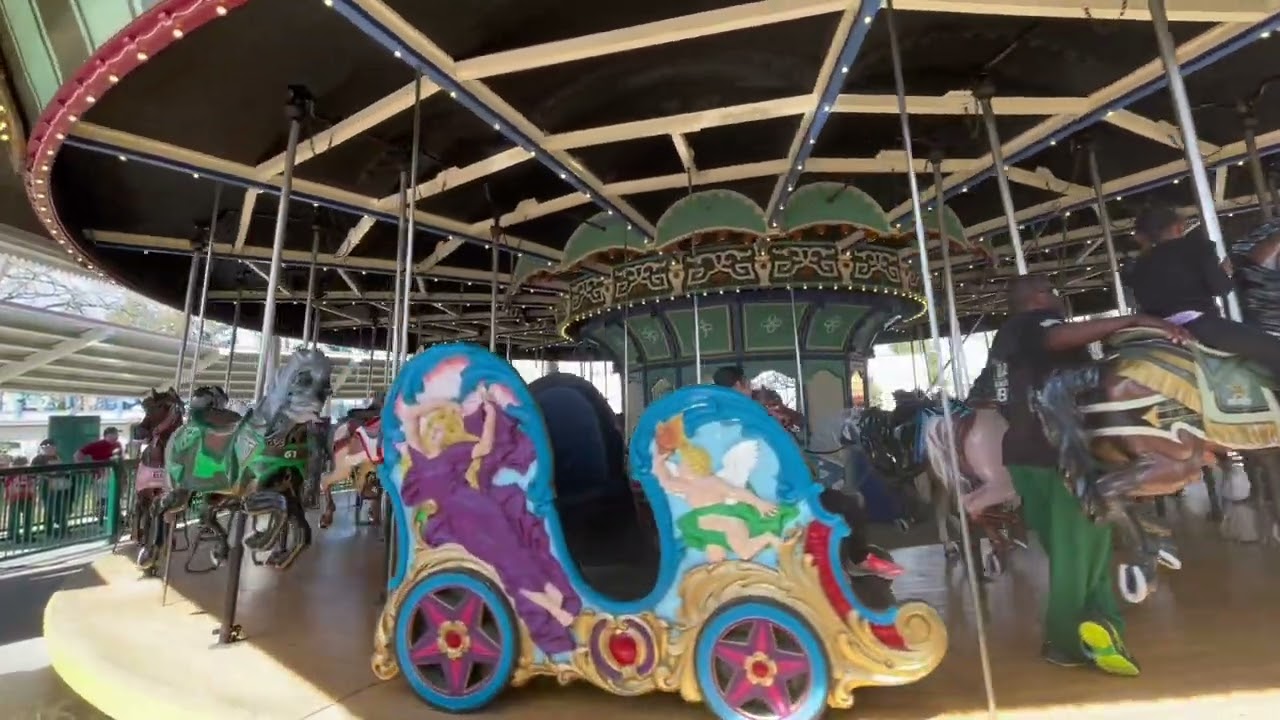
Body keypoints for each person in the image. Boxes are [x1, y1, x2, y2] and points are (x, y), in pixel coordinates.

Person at [984, 274, 1189, 676]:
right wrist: (1133, 320)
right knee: (1079, 551)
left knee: (1082, 550)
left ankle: (1101, 622)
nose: (1058, 298)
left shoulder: (1007, 341)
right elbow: (1056, 337)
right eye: (1053, 291)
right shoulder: (1032, 326)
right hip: (1062, 455)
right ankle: (1064, 642)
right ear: (1036, 298)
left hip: (1026, 455)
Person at [712, 365, 902, 579]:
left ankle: (848, 557)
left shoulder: (729, 413)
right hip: (775, 490)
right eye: (747, 384)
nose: (750, 389)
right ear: (739, 384)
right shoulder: (748, 414)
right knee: (849, 505)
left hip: (763, 484)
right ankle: (856, 559)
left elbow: (793, 424)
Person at [1123, 204, 1280, 380]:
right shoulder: (1197, 247)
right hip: (1198, 325)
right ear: (1178, 227)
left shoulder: (1137, 265)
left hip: (1157, 328)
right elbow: (1221, 288)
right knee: (1274, 348)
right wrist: (1225, 273)